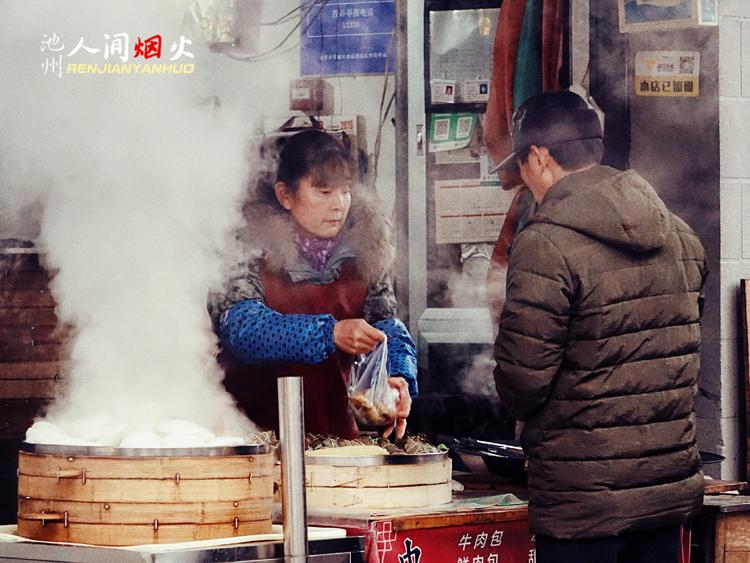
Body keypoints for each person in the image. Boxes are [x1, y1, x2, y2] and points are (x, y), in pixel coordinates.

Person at [492, 90, 707, 563]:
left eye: (523, 167)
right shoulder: (679, 235)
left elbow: (523, 383)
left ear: (541, 157)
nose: (524, 182)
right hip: (665, 495)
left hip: (583, 502)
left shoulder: (545, 246)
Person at [209, 129, 417, 440]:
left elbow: (385, 323)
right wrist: (330, 333)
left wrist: (397, 373)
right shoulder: (246, 246)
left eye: (345, 191)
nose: (338, 205)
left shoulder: (367, 248)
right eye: (323, 192)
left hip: (335, 438)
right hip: (252, 437)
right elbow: (242, 329)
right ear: (285, 196)